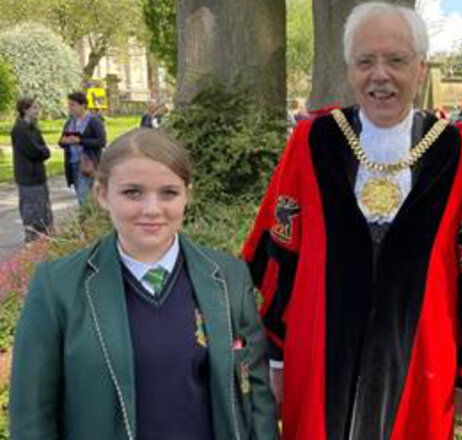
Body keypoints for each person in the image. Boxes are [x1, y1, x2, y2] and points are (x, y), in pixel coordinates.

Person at [241, 3, 462, 440]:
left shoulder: (456, 151)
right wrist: (276, 357)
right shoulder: (312, 140)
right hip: (320, 351)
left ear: (420, 68)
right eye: (365, 62)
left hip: (420, 358)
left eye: (396, 60)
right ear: (349, 69)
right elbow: (279, 248)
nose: (380, 75)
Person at [10, 128, 279, 440]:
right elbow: (32, 418)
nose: (152, 209)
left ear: (187, 194)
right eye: (132, 193)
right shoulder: (58, 287)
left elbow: (258, 399)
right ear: (101, 194)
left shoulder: (228, 277)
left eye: (168, 192)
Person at [10, 97, 54, 242]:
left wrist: (43, 151)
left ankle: (45, 239)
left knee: (44, 208)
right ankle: (33, 240)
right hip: (28, 177)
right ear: (25, 110)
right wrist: (43, 151)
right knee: (31, 210)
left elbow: (45, 150)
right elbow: (33, 151)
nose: (37, 111)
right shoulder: (19, 129)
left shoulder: (34, 128)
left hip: (39, 175)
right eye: (34, 108)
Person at [58, 91, 107, 205]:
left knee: (83, 195)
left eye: (73, 105)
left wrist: (81, 141)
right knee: (82, 195)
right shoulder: (70, 122)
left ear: (83, 105)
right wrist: (64, 141)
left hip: (87, 163)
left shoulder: (93, 121)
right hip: (72, 164)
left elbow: (101, 141)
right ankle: (89, 218)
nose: (70, 108)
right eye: (69, 105)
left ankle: (87, 220)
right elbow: (61, 140)